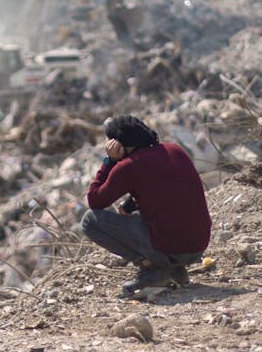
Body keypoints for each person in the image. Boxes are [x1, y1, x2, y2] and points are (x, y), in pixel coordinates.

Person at [81, 115, 211, 294]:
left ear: (117, 144)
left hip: (172, 249)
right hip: (198, 246)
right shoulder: (174, 149)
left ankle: (154, 270)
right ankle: (174, 270)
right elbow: (168, 189)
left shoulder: (128, 166)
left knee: (90, 221)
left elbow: (95, 201)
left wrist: (109, 161)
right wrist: (130, 205)